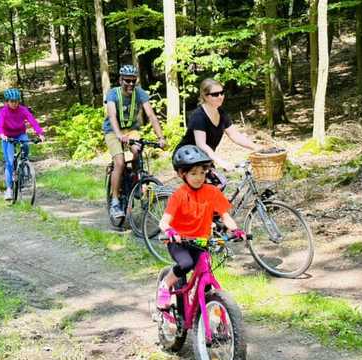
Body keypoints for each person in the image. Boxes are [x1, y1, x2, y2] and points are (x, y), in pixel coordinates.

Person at [156, 145, 246, 309]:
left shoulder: (212, 192)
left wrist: (236, 230)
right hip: (179, 241)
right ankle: (165, 285)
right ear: (183, 174)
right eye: (193, 173)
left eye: (202, 173)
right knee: (186, 264)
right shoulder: (179, 195)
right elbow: (163, 222)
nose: (199, 177)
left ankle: (203, 311)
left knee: (206, 278)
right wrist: (170, 231)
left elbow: (225, 216)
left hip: (200, 241)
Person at [103, 64, 166, 219]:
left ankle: (136, 182)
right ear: (120, 80)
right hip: (113, 131)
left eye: (133, 81)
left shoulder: (140, 94)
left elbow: (151, 115)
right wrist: (118, 135)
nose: (130, 84)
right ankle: (115, 202)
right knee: (119, 162)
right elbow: (112, 116)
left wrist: (161, 137)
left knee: (138, 150)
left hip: (131, 130)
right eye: (127, 81)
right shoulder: (112, 94)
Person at [176, 78, 260, 172]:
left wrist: (256, 147)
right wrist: (221, 162)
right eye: (215, 94)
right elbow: (201, 144)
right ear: (205, 96)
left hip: (203, 157)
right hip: (187, 158)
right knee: (210, 185)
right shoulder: (198, 116)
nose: (220, 96)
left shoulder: (222, 114)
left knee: (218, 184)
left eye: (222, 93)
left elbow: (235, 135)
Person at [0, 88, 45, 200]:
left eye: (16, 101)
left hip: (20, 134)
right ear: (7, 101)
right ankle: (9, 190)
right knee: (9, 162)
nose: (14, 103)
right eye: (12, 101)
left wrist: (40, 133)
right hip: (7, 136)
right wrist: (2, 135)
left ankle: (24, 163)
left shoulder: (23, 110)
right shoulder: (3, 111)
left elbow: (32, 121)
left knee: (26, 144)